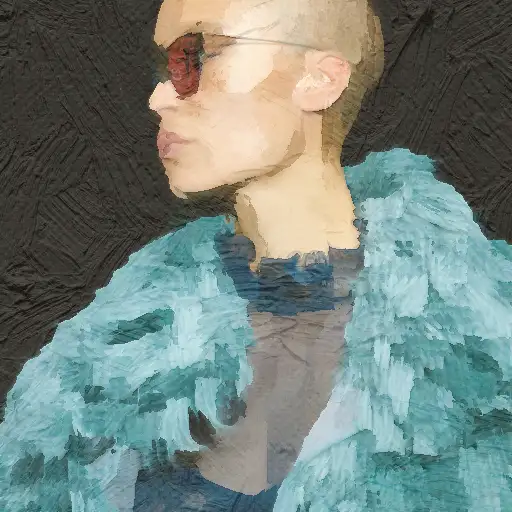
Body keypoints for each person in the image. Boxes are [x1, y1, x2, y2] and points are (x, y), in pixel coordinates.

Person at [0, 0, 511, 511]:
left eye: (194, 57)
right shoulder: (105, 354)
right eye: (166, 67)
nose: (159, 97)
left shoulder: (481, 349)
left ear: (321, 79)